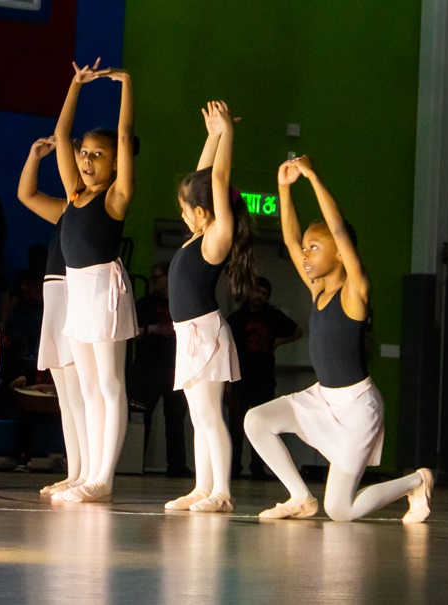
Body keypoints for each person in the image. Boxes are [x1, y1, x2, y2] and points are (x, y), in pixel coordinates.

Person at [243, 155, 433, 522]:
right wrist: (283, 190)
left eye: (315, 247)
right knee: (256, 420)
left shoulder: (355, 292)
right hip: (321, 398)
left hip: (357, 409)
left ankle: (416, 481)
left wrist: (313, 177)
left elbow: (341, 231)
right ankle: (300, 497)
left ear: (341, 255)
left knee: (341, 510)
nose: (305, 253)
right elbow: (289, 236)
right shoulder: (318, 289)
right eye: (306, 248)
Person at [51, 59, 138, 503]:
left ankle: (103, 478)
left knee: (109, 384)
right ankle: (85, 473)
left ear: (115, 165)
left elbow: (125, 137)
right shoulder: (74, 194)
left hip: (104, 290)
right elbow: (61, 136)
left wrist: (126, 86)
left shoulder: (115, 198)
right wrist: (75, 84)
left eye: (98, 154)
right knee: (86, 388)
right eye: (85, 152)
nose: (86, 158)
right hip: (77, 292)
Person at [164, 100, 254, 513]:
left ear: (202, 213)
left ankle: (222, 491)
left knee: (211, 414)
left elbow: (217, 178)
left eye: (185, 212)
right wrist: (213, 134)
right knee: (197, 416)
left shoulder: (217, 237)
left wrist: (229, 137)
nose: (182, 217)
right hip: (189, 335)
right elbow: (202, 178)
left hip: (206, 334)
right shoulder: (196, 232)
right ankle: (203, 487)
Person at [16, 136, 88, 494]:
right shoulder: (65, 210)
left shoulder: (95, 207)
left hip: (76, 294)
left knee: (80, 394)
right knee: (66, 397)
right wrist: (34, 155)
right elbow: (26, 195)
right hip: (55, 295)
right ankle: (75, 472)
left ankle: (89, 474)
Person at [227, 276, 302, 479]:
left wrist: (278, 342)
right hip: (239, 378)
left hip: (263, 377)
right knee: (236, 426)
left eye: (264, 293)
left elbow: (297, 331)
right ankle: (233, 466)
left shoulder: (272, 315)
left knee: (263, 424)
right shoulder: (235, 319)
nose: (259, 296)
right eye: (256, 291)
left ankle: (258, 467)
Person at [129, 261, 191, 478]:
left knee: (175, 419)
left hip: (175, 368)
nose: (155, 282)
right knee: (140, 415)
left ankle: (177, 466)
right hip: (147, 367)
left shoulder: (182, 301)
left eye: (158, 277)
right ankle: (135, 462)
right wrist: (154, 329)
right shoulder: (144, 303)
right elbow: (130, 331)